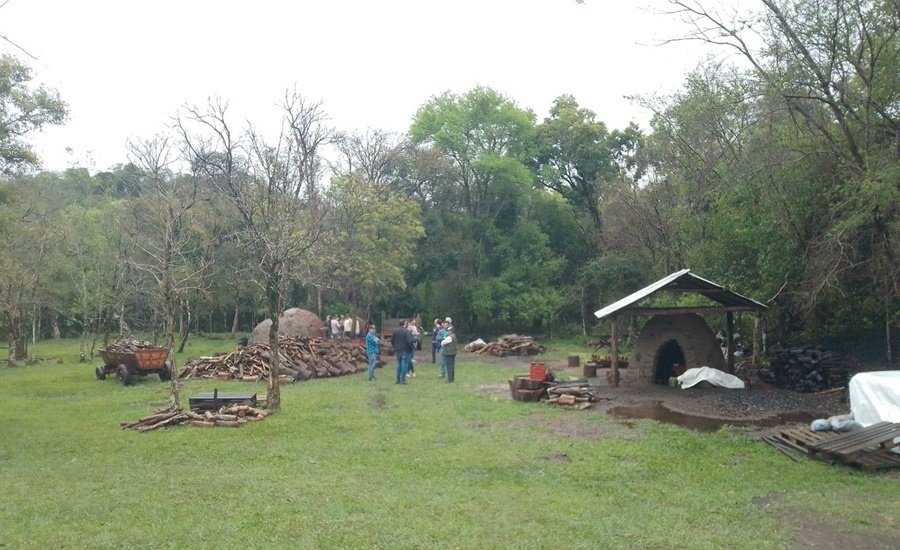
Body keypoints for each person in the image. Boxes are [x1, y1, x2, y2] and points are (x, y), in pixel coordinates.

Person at [390, 320, 413, 384]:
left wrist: (395, 346)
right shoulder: (406, 332)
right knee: (404, 365)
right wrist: (411, 348)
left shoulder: (395, 331)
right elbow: (409, 341)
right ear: (405, 324)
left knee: (399, 364)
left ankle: (397, 379)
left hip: (398, 350)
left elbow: (392, 340)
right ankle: (402, 380)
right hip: (405, 350)